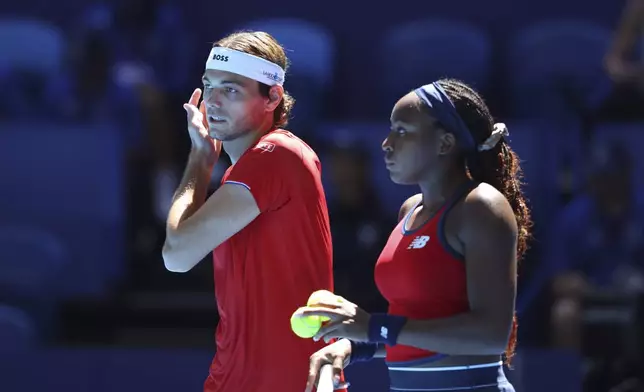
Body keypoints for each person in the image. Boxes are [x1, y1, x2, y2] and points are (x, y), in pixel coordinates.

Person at [299, 79, 532, 392]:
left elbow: (491, 334)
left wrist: (373, 327)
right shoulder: (409, 210)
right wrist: (356, 345)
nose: (387, 143)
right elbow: (414, 329)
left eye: (402, 131)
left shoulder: (481, 206)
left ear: (444, 143)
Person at [162, 31, 339, 392]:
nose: (212, 102)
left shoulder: (276, 155)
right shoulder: (244, 172)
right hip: (234, 379)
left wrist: (199, 158)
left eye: (231, 90)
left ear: (273, 97)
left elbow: (177, 255)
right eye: (208, 86)